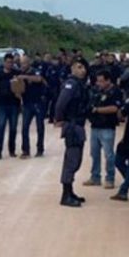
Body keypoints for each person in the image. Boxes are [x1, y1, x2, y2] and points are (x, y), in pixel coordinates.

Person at [53, 60, 90, 207]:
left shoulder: (80, 84)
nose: (83, 70)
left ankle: (70, 191)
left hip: (78, 124)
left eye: (84, 67)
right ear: (72, 69)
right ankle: (66, 195)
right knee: (72, 160)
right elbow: (61, 104)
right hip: (73, 125)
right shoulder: (71, 84)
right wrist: (59, 119)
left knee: (76, 159)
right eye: (79, 67)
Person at [83, 70, 124, 190]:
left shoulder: (115, 91)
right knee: (94, 153)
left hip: (107, 127)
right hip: (95, 126)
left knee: (109, 154)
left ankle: (110, 178)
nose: (98, 83)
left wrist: (97, 110)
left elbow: (114, 108)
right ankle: (95, 177)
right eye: (98, 81)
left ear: (108, 80)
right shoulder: (97, 90)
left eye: (101, 81)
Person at [0, 54, 20, 159]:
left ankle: (12, 150)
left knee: (13, 128)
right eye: (8, 62)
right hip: (1, 104)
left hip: (14, 104)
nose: (9, 64)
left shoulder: (16, 74)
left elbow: (21, 87)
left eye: (11, 62)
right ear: (4, 62)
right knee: (1, 127)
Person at [17, 56, 47, 158]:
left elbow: (39, 79)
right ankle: (25, 150)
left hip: (38, 102)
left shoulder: (35, 71)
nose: (23, 65)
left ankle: (40, 149)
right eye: (21, 63)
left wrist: (25, 77)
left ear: (29, 63)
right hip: (27, 103)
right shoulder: (20, 73)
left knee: (40, 127)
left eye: (24, 63)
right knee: (24, 128)